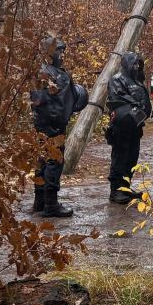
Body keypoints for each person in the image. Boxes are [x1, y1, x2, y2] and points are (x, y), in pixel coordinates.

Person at [29, 36, 88, 218]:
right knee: (53, 162)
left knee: (43, 160)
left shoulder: (45, 71)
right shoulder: (50, 73)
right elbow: (48, 101)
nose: (62, 55)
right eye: (58, 51)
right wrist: (58, 120)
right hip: (51, 125)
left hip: (45, 123)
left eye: (63, 51)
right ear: (50, 52)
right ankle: (50, 204)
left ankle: (40, 201)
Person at [106, 52, 151, 204]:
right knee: (120, 156)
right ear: (126, 63)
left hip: (136, 126)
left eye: (139, 64)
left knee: (132, 157)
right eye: (134, 63)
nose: (137, 66)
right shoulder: (117, 79)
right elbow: (118, 98)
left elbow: (144, 99)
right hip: (122, 126)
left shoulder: (137, 80)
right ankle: (116, 190)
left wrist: (143, 111)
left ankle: (126, 187)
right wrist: (137, 107)